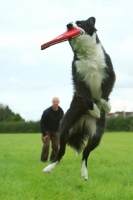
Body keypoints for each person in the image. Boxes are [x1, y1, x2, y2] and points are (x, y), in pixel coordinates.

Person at [40, 97, 64, 162]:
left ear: (59, 102)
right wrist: (44, 134)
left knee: (56, 146)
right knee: (46, 146)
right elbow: (42, 123)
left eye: (57, 102)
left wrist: (61, 132)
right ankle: (43, 160)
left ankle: (53, 160)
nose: (56, 103)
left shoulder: (61, 112)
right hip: (47, 130)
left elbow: (62, 122)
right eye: (54, 101)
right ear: (52, 102)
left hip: (55, 131)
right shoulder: (46, 112)